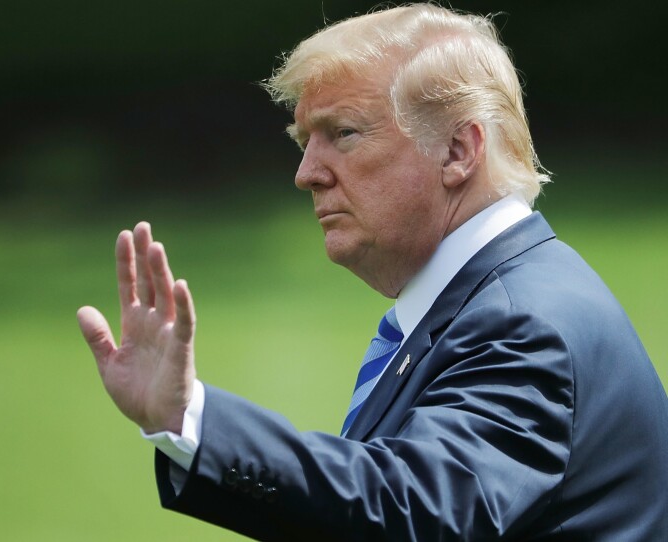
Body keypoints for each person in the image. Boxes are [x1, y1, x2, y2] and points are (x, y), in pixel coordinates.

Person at [76, 4, 668, 540]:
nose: (307, 172)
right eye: (305, 140)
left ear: (460, 151)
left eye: (344, 134)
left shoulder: (521, 324)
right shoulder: (497, 299)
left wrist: (194, 422)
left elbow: (415, 509)